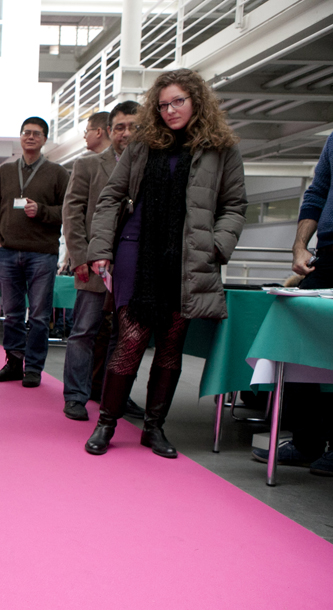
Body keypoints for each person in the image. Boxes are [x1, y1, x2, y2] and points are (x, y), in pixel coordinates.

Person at [85, 69, 247, 458]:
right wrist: (101, 248)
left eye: (178, 102)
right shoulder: (143, 144)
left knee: (172, 344)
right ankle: (106, 423)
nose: (170, 110)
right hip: (136, 251)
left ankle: (154, 428)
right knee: (131, 339)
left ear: (196, 101)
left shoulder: (222, 148)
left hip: (188, 258)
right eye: (163, 105)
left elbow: (234, 205)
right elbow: (111, 196)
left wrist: (215, 247)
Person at [251, 133, 333, 476]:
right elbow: (317, 193)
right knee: (294, 334)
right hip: (327, 253)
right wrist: (300, 246)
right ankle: (306, 441)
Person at [61, 105, 138, 421]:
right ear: (109, 130)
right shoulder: (88, 165)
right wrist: (79, 256)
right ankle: (75, 396)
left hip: (132, 266)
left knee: (126, 336)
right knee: (84, 331)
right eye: (120, 127)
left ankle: (115, 394)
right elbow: (72, 212)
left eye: (133, 126)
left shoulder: (149, 168)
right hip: (93, 264)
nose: (126, 133)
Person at [0, 117, 69, 388]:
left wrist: (41, 211)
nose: (30, 137)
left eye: (36, 133)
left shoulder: (58, 173)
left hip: (42, 254)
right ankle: (13, 363)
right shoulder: (5, 172)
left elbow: (68, 210)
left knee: (39, 316)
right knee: (11, 313)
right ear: (20, 137)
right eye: (26, 132)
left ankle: (33, 368)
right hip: (7, 252)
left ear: (45, 139)